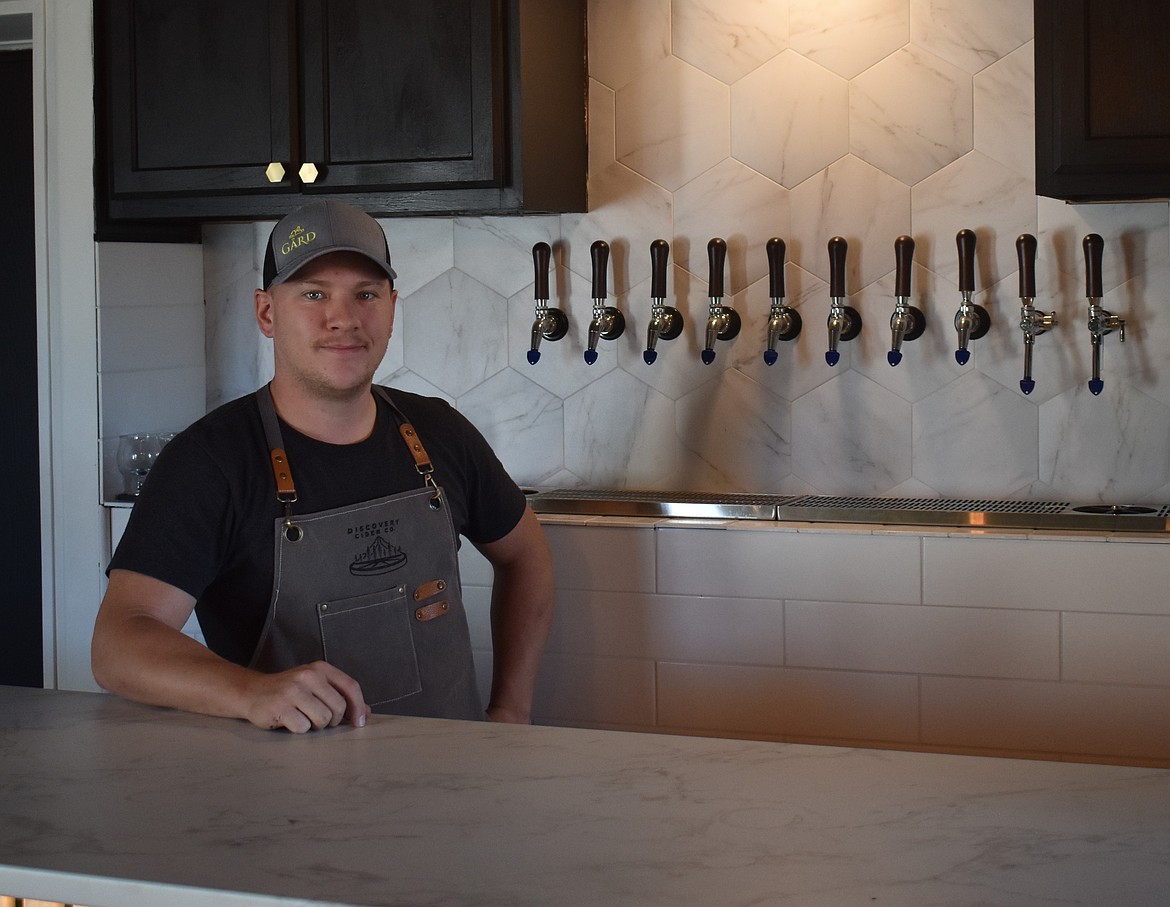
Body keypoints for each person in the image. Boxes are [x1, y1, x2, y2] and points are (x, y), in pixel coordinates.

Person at [92, 199, 555, 733]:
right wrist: (251, 691)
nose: (344, 319)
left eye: (366, 294)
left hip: (452, 779)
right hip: (289, 799)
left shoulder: (440, 431)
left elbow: (526, 556)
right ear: (267, 313)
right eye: (314, 294)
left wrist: (512, 709)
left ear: (392, 307)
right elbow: (120, 642)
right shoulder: (210, 462)